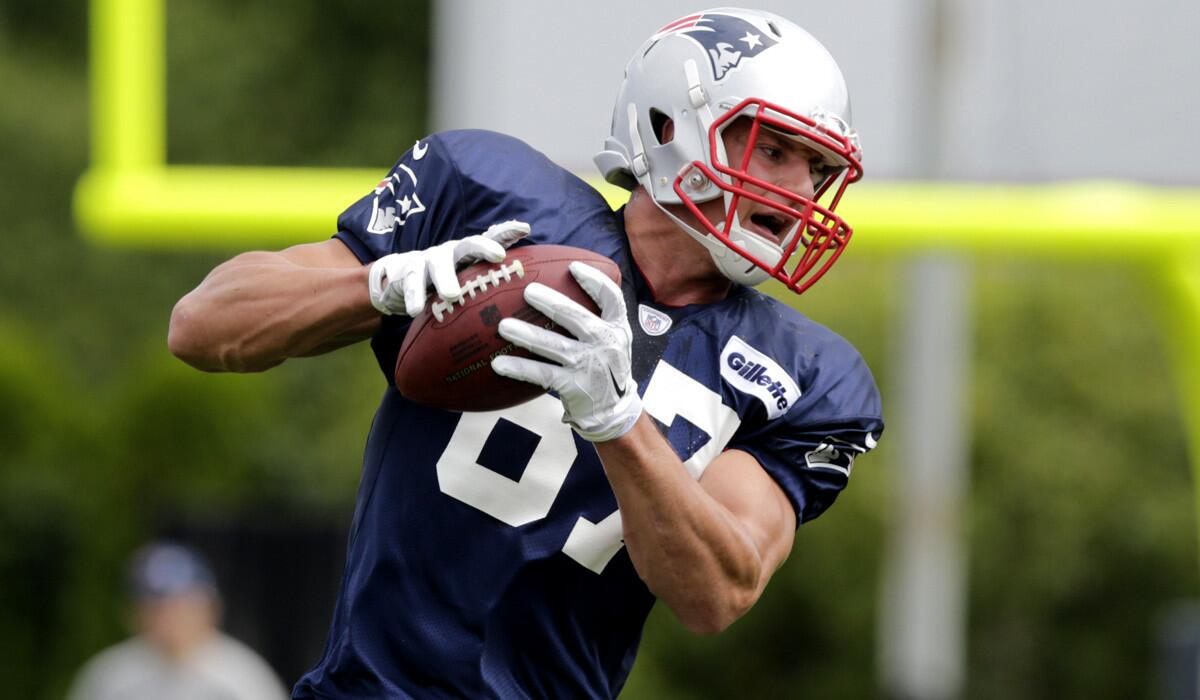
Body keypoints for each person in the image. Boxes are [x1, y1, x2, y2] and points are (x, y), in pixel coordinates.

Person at [168, 7, 883, 698]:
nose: (796, 191)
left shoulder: (807, 376)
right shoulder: (493, 199)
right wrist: (379, 285)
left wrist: (617, 422)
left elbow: (717, 595)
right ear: (669, 126)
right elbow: (202, 328)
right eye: (774, 149)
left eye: (817, 167)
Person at [66, 542, 290, 700]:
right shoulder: (109, 676)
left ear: (210, 609)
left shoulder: (243, 678)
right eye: (155, 608)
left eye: (180, 606)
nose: (167, 619)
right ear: (132, 613)